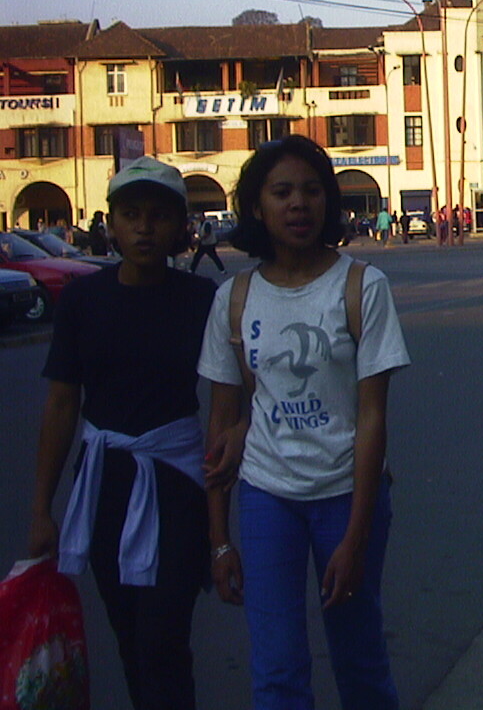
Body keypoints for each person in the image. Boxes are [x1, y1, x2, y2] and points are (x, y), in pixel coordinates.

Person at [200, 134, 410, 709]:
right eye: (282, 192)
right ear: (257, 207)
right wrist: (220, 542)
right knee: (277, 670)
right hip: (268, 498)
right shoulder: (235, 299)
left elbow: (372, 420)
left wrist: (356, 536)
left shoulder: (362, 287)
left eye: (311, 191)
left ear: (329, 202)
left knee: (359, 659)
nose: (298, 204)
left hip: (349, 495)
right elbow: (222, 431)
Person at [28, 156, 216, 710]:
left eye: (158, 216)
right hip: (105, 484)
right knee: (129, 638)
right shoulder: (86, 299)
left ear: (180, 228)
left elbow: (237, 396)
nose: (143, 228)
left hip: (177, 485)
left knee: (164, 640)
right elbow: (63, 402)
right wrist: (41, 509)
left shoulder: (202, 301)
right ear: (110, 223)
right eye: (130, 214)